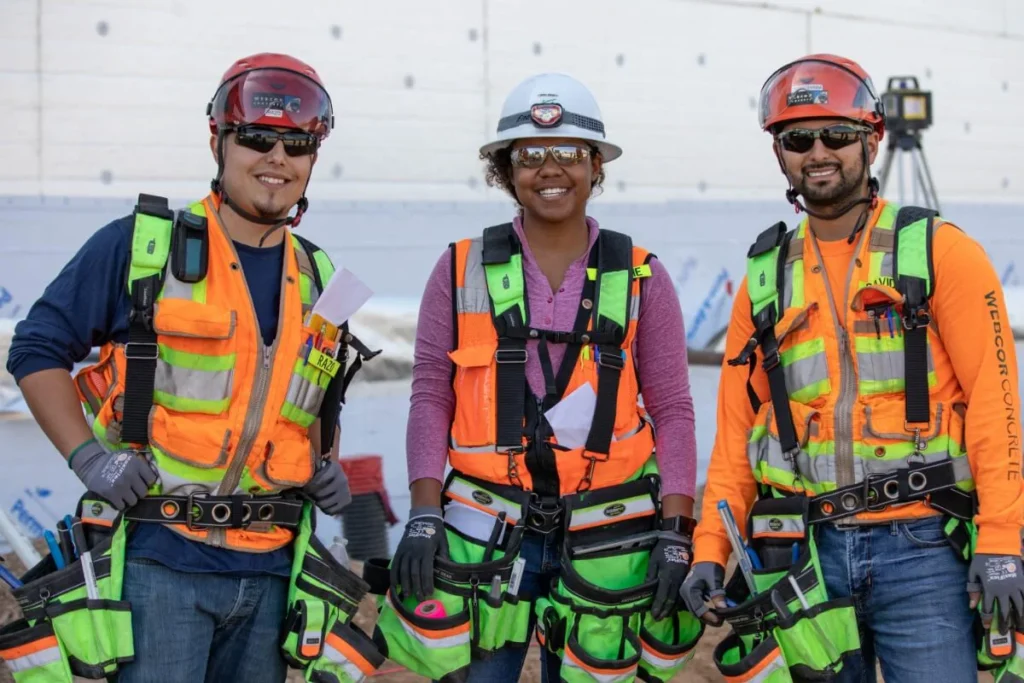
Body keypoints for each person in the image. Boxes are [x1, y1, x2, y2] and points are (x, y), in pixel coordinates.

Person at [6, 53, 363, 683]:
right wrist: (90, 458)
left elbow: (307, 398)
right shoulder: (145, 247)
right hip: (157, 564)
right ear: (218, 141)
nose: (277, 158)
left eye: (297, 143)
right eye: (256, 138)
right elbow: (36, 349)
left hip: (273, 569)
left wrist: (325, 465)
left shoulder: (319, 275)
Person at [681, 53, 1024, 683]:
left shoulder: (942, 252)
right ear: (780, 152)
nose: (819, 152)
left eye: (837, 135)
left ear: (872, 138)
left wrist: (1002, 540)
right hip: (805, 554)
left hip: (922, 549)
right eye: (797, 138)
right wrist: (710, 547)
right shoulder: (763, 281)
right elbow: (736, 435)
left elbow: (995, 404)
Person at [366, 72, 703, 683]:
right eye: (531, 156)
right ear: (506, 170)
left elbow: (675, 408)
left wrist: (678, 533)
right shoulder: (458, 268)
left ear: (596, 165)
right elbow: (429, 394)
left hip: (610, 539)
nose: (551, 170)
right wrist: (422, 511)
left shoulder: (643, 276)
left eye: (570, 153)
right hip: (483, 535)